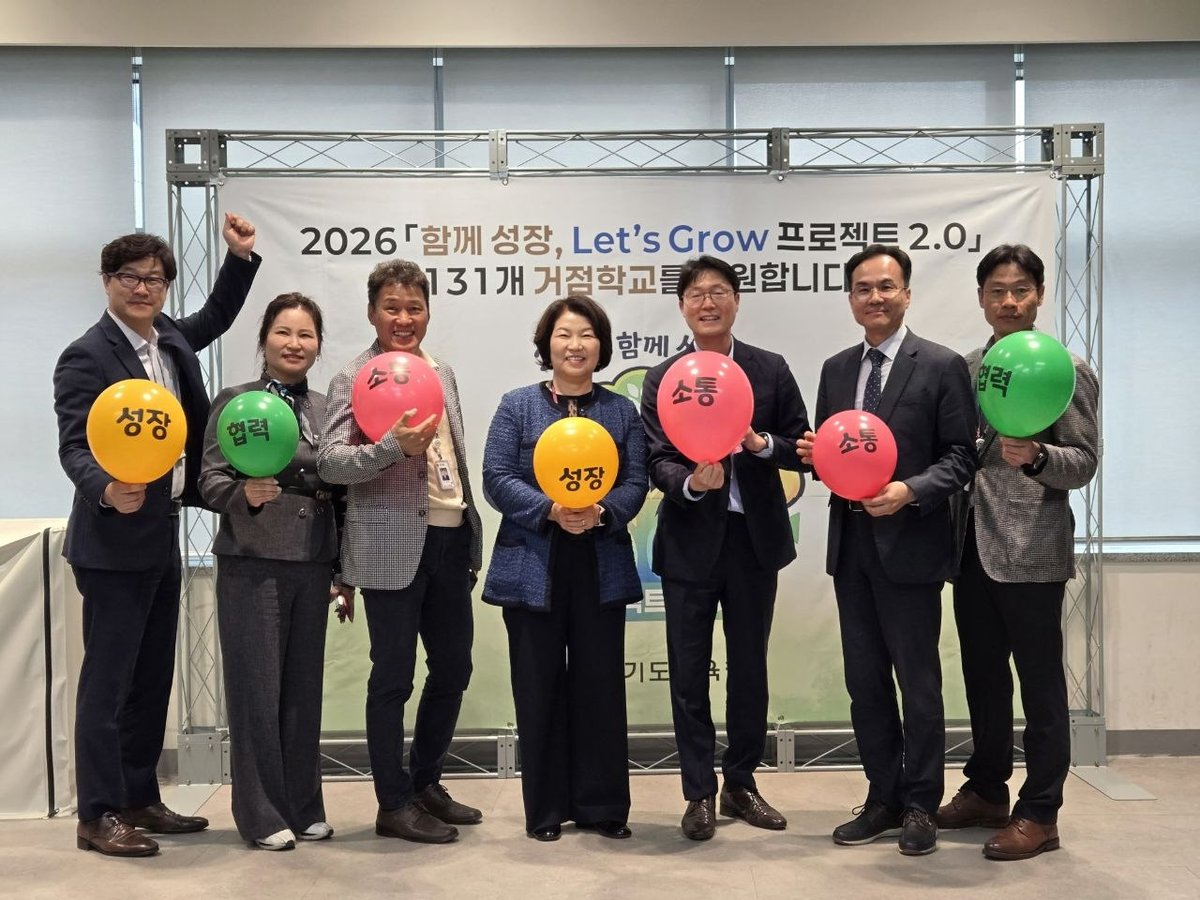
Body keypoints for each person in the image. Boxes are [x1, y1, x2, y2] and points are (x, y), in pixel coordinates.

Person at [53, 214, 260, 857]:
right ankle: (97, 815)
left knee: (151, 679)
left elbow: (217, 316)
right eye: (129, 277)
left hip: (163, 529)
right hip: (112, 539)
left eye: (154, 279)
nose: (142, 288)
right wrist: (104, 487)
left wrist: (239, 258)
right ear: (106, 281)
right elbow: (73, 444)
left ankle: (139, 797)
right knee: (108, 684)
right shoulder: (87, 355)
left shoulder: (169, 338)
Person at [797, 243, 976, 856]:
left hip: (912, 546)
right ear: (850, 299)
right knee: (864, 681)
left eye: (885, 286)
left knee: (918, 682)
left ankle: (922, 803)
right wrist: (812, 456)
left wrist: (909, 490)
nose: (874, 297)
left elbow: (962, 457)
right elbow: (833, 458)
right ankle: (883, 797)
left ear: (906, 294)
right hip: (852, 547)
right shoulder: (835, 369)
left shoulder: (942, 365)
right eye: (862, 288)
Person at [936, 244, 1099, 861]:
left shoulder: (1064, 369)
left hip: (1032, 550)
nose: (1008, 301)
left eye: (1020, 290)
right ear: (981, 298)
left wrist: (1037, 457)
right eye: (996, 291)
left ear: (1039, 296)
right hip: (970, 547)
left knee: (1039, 685)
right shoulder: (968, 368)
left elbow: (1084, 462)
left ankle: (1041, 811)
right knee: (983, 678)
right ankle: (986, 789)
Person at [641, 255, 810, 841]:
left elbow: (801, 445)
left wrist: (762, 445)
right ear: (682, 307)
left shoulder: (770, 368)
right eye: (696, 294)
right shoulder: (665, 378)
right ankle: (698, 793)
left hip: (754, 541)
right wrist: (690, 482)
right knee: (688, 673)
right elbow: (656, 457)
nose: (707, 303)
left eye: (718, 292)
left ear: (737, 301)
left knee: (749, 668)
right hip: (690, 541)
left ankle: (741, 782)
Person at [317, 258, 483, 845]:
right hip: (388, 544)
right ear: (372, 313)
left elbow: (452, 456)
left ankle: (425, 782)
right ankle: (392, 802)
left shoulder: (443, 372)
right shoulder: (354, 376)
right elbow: (330, 462)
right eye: (392, 307)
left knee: (454, 667)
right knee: (392, 676)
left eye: (415, 307)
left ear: (428, 313)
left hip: (450, 536)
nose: (404, 318)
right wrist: (391, 447)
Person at [481, 296, 648, 843]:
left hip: (600, 562)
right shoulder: (517, 406)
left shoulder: (621, 412)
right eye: (563, 334)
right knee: (538, 688)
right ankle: (547, 808)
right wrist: (549, 509)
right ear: (546, 344)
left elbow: (636, 481)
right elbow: (496, 476)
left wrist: (602, 511)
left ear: (601, 346)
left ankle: (603, 806)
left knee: (601, 688)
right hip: (534, 562)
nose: (575, 345)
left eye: (586, 335)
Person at [198, 293, 353, 851]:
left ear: (318, 345)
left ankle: (304, 806)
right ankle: (261, 814)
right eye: (283, 332)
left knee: (302, 691)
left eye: (306, 335)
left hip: (313, 560)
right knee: (257, 690)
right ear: (264, 339)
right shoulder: (236, 401)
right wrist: (243, 493)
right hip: (253, 559)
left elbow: (342, 493)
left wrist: (343, 570)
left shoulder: (327, 408)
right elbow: (208, 480)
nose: (295, 344)